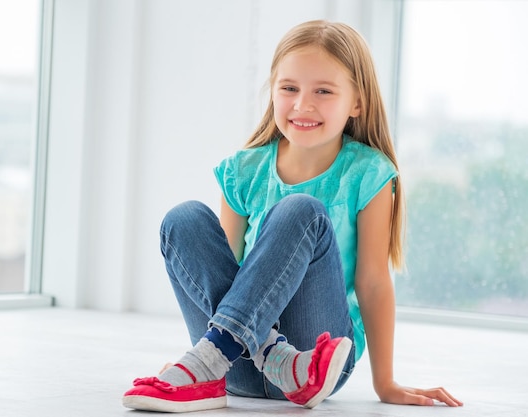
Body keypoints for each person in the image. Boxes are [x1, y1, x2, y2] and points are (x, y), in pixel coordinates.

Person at [122, 19, 463, 413]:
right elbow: (224, 278)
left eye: (323, 91)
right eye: (289, 89)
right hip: (238, 365)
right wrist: (208, 354)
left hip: (315, 366)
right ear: (273, 92)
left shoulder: (368, 172)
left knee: (302, 210)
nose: (303, 104)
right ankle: (216, 359)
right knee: (183, 218)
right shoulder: (243, 170)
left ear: (357, 102)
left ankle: (215, 360)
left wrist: (385, 383)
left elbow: (372, 282)